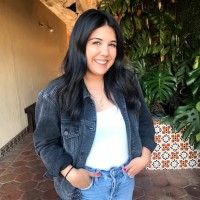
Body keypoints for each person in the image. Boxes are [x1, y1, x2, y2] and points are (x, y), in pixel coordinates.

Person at [33, 9, 157, 200]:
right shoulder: (55, 94)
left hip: (125, 179)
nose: (105, 52)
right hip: (86, 187)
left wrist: (146, 155)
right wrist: (70, 173)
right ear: (80, 45)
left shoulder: (127, 81)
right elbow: (45, 142)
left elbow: (145, 121)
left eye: (112, 44)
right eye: (96, 43)